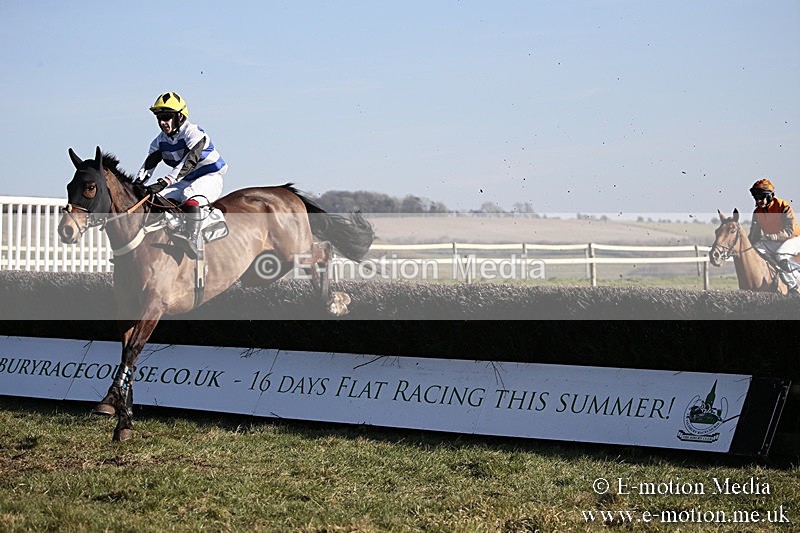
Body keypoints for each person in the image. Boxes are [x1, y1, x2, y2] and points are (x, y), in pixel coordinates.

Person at [135, 91, 227, 258]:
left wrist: (164, 181)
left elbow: (188, 162)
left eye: (167, 117)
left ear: (180, 117)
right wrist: (137, 185)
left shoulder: (194, 133)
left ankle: (191, 239)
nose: (162, 122)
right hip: (187, 179)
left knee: (188, 195)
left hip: (210, 176)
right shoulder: (159, 141)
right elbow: (148, 165)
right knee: (157, 199)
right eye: (159, 118)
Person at [747, 178, 800, 294]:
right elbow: (754, 236)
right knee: (756, 251)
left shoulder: (783, 206)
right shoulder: (757, 212)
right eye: (756, 197)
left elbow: (789, 231)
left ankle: (793, 287)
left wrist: (771, 237)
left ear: (770, 196)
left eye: (761, 196)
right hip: (774, 241)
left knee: (780, 256)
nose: (758, 200)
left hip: (793, 239)